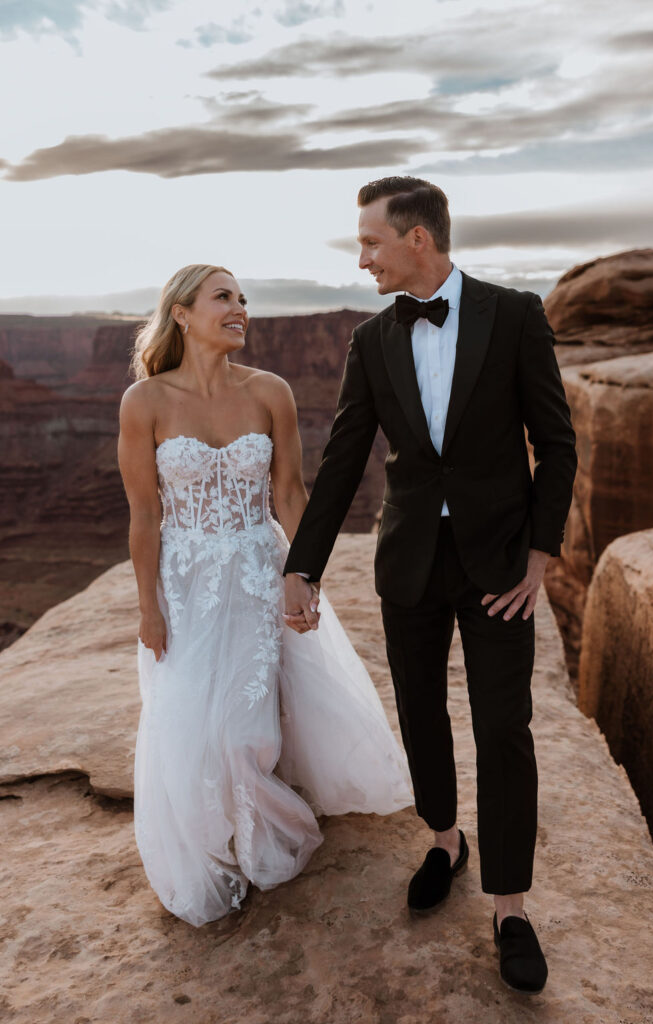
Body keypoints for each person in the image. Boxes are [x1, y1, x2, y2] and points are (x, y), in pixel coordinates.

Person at [282, 177, 577, 993]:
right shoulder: (372, 339)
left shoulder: (512, 314)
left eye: (370, 242)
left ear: (418, 239)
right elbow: (343, 460)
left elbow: (555, 444)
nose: (361, 258)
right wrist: (302, 566)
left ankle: (510, 905)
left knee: (503, 726)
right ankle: (445, 839)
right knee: (420, 711)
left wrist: (540, 557)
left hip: (497, 566)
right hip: (408, 558)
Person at [117, 263, 412, 928]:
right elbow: (143, 516)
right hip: (187, 582)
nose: (240, 308)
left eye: (243, 299)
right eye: (223, 297)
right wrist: (147, 608)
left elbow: (289, 492)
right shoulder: (145, 403)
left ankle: (261, 829)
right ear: (182, 314)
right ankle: (210, 834)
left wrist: (301, 575)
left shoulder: (269, 392)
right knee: (194, 716)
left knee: (248, 718)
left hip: (258, 565)